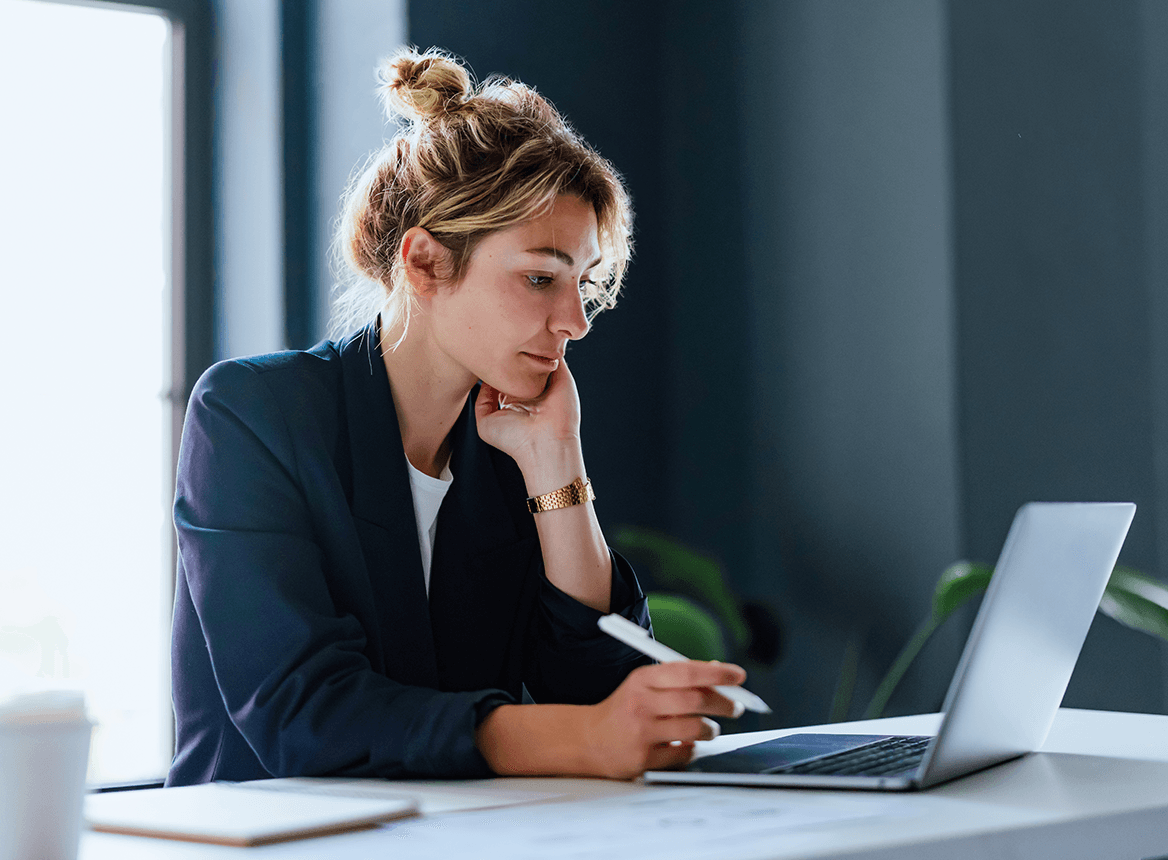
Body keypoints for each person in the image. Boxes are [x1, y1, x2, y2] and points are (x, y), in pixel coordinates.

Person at [166, 47, 747, 787]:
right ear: (424, 263)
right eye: (541, 278)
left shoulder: (503, 444)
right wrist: (585, 735)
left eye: (584, 283)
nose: (575, 321)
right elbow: (303, 714)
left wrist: (556, 463)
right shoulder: (253, 417)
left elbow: (599, 692)